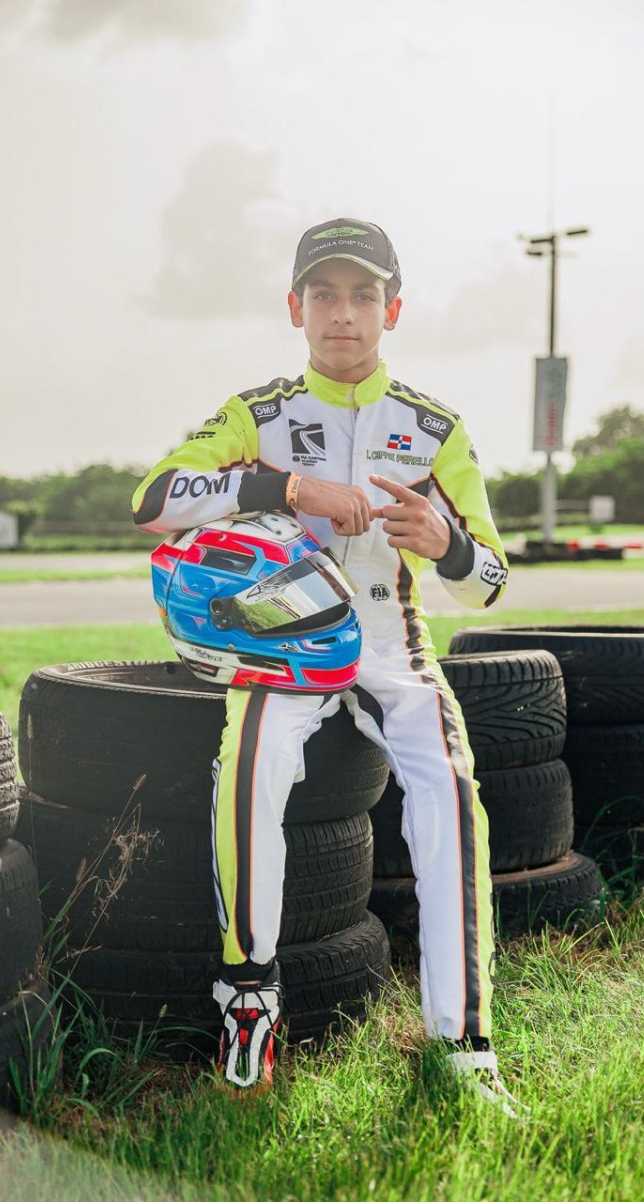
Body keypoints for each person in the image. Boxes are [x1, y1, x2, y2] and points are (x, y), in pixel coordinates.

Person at [131, 218, 526, 1117]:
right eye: (323, 294)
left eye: (360, 295)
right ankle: (249, 1008)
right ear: (295, 307)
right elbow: (154, 500)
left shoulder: (434, 429)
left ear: (392, 308)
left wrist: (450, 544)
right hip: (282, 645)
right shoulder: (258, 413)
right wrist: (288, 488)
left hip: (393, 642)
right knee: (251, 769)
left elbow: (492, 584)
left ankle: (463, 1044)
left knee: (449, 788)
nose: (342, 313)